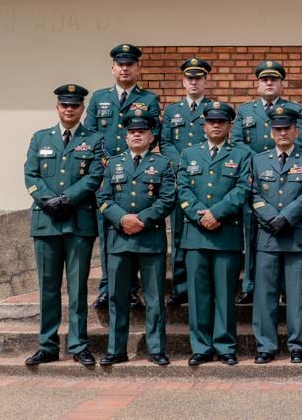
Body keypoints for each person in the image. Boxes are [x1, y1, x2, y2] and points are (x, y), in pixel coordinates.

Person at [23, 84, 104, 367]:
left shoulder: (95, 140)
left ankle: (79, 345)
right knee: (48, 288)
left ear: (82, 109)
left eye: (75, 105)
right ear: (58, 107)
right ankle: (47, 345)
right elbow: (30, 174)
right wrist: (48, 200)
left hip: (78, 222)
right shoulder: (40, 138)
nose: (69, 109)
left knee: (78, 288)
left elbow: (95, 177)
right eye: (64, 105)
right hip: (46, 221)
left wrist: (67, 199)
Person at [96, 110, 175, 366]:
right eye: (132, 132)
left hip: (150, 240)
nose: (137, 135)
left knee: (154, 299)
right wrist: (122, 219)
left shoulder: (163, 164)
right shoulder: (115, 164)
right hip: (119, 240)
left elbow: (167, 200)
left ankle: (156, 349)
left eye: (142, 131)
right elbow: (103, 199)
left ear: (152, 137)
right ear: (126, 136)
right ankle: (116, 349)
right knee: (118, 298)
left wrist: (142, 219)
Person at [175, 101, 252, 366]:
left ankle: (226, 345)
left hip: (226, 233)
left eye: (221, 122)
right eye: (211, 122)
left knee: (225, 295)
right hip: (195, 234)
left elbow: (242, 190)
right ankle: (201, 346)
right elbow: (183, 190)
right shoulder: (188, 154)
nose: (216, 126)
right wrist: (200, 214)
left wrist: (217, 213)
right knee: (198, 296)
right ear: (204, 125)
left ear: (230, 126)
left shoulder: (242, 155)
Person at [85, 43, 160, 311]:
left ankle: (131, 290)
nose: (125, 68)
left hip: (138, 176)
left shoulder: (149, 100)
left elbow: (155, 135)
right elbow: (91, 135)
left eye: (130, 64)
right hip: (108, 176)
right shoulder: (99, 98)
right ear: (113, 68)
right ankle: (108, 288)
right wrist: (109, 165)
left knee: (136, 232)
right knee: (108, 233)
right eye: (121, 64)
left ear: (138, 68)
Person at [234, 60, 302, 305]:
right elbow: (237, 142)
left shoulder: (294, 109)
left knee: (286, 234)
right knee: (253, 233)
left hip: (289, 180)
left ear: (281, 84)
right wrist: (262, 162)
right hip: (257, 178)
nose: (269, 83)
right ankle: (250, 284)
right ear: (258, 84)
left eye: (274, 80)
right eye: (264, 80)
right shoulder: (245, 111)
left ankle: (288, 286)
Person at [250, 105, 302, 364]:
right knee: (264, 295)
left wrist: (286, 217)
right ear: (271, 131)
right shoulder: (258, 160)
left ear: (296, 131)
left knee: (298, 295)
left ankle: (297, 345)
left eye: (286, 128)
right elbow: (254, 195)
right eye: (277, 129)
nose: (282, 133)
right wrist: (270, 217)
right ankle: (266, 346)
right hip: (268, 236)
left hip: (296, 236)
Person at [160, 56, 213, 308]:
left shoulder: (214, 109)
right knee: (180, 234)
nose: (194, 82)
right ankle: (180, 287)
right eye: (190, 78)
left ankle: (206, 285)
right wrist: (184, 163)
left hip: (209, 180)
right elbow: (166, 142)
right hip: (181, 181)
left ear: (205, 81)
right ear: (183, 82)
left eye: (198, 78)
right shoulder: (172, 111)